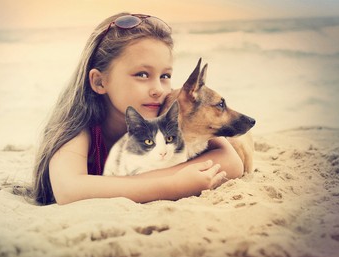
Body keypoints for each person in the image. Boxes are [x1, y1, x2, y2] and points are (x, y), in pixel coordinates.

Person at [33, 13, 243, 205]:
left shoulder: (170, 110)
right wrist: (174, 184)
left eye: (165, 76)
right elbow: (68, 190)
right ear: (99, 82)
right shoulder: (80, 126)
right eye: (142, 74)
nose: (158, 90)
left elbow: (231, 162)